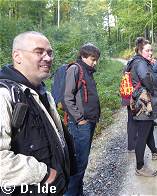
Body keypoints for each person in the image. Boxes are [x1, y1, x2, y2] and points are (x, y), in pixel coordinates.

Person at [0, 31, 70, 195]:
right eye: (39, 52)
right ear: (17, 56)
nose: (47, 58)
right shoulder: (4, 95)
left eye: (50, 53)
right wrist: (42, 173)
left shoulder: (41, 93)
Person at [63, 43, 101, 195]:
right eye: (93, 59)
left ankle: (78, 192)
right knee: (78, 163)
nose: (95, 62)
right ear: (84, 56)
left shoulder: (88, 71)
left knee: (82, 163)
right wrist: (80, 119)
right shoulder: (75, 69)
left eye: (96, 59)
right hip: (80, 125)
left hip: (89, 122)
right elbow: (67, 98)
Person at [129, 37, 157, 177]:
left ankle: (154, 150)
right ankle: (140, 166)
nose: (150, 52)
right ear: (140, 51)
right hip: (144, 103)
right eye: (147, 50)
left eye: (151, 50)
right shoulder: (141, 63)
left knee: (148, 129)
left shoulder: (138, 61)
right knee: (142, 135)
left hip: (140, 102)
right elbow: (146, 79)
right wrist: (153, 90)